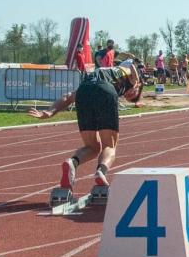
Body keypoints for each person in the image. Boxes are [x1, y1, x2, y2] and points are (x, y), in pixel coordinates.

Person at [28, 62, 144, 192]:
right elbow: (132, 65)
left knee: (93, 147)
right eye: (133, 94)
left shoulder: (103, 74)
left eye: (130, 98)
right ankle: (101, 172)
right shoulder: (131, 79)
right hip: (105, 90)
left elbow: (69, 96)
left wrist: (50, 111)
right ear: (138, 86)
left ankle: (72, 163)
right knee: (110, 146)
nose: (129, 95)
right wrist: (137, 81)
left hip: (84, 91)